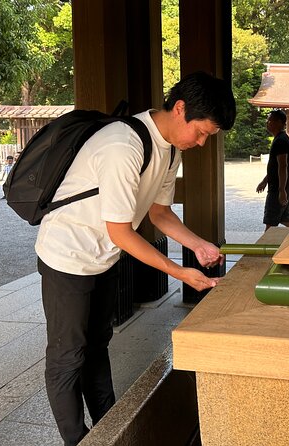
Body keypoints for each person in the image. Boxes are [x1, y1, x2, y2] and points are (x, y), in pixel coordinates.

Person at [35, 71, 236, 446]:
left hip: (104, 257)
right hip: (68, 255)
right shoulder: (123, 145)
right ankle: (78, 439)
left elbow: (159, 213)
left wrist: (197, 245)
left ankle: (110, 426)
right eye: (203, 131)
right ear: (180, 109)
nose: (203, 142)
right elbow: (122, 231)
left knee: (97, 343)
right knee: (67, 356)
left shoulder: (172, 147)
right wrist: (179, 272)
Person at [256, 109, 289, 231]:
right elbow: (275, 167)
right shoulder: (280, 138)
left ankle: (264, 248)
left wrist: (281, 190)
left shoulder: (281, 141)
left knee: (270, 223)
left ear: (279, 122)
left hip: (278, 189)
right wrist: (265, 181)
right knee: (285, 219)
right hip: (283, 186)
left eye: (270, 120)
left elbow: (282, 166)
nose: (267, 122)